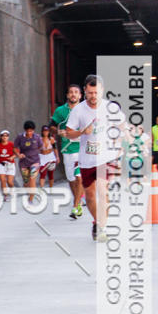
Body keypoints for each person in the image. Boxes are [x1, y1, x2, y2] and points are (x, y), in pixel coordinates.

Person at [66, 73, 125, 242]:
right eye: (90, 92)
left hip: (106, 158)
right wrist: (82, 132)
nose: (93, 96)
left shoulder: (110, 107)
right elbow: (69, 133)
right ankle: (97, 222)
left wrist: (119, 140)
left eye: (96, 92)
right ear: (85, 91)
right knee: (91, 196)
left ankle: (102, 228)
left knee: (103, 191)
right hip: (87, 159)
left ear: (102, 90)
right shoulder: (78, 110)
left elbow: (122, 125)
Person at [50, 84, 84, 220]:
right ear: (67, 95)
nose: (73, 94)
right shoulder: (60, 111)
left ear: (80, 95)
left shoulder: (86, 109)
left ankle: (75, 205)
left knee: (79, 176)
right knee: (71, 178)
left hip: (82, 148)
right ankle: (78, 201)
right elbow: (51, 126)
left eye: (76, 92)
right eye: (71, 92)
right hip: (67, 148)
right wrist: (59, 131)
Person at [14, 121, 42, 200]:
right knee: (26, 182)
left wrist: (34, 152)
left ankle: (31, 199)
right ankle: (28, 190)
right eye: (28, 131)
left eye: (31, 131)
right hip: (24, 162)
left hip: (35, 161)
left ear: (34, 130)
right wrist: (18, 155)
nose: (29, 133)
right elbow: (15, 148)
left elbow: (40, 146)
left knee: (32, 179)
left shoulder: (37, 137)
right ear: (25, 130)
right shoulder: (20, 137)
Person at [0, 130, 15, 200]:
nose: (5, 137)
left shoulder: (11, 144)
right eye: (3, 136)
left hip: (10, 164)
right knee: (2, 180)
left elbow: (16, 153)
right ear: (0, 137)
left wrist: (12, 157)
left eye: (6, 136)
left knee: (9, 182)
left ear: (8, 137)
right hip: (1, 164)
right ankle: (5, 195)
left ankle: (12, 190)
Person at [38, 125, 57, 189]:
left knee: (50, 173)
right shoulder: (39, 139)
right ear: (42, 131)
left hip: (50, 157)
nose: (45, 132)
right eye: (44, 131)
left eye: (47, 131)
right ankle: (42, 188)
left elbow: (55, 148)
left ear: (49, 132)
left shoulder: (51, 139)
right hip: (42, 157)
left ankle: (51, 188)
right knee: (42, 172)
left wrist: (57, 157)